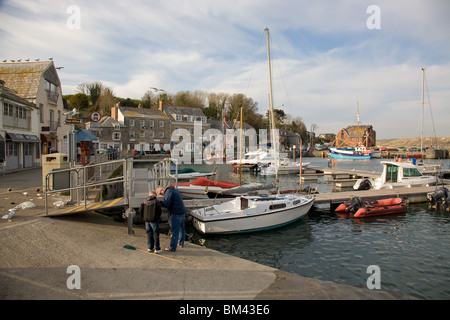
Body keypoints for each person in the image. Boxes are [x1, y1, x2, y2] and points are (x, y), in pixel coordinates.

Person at [156, 185, 186, 252]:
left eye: (160, 193)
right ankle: (181, 243)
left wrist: (159, 202)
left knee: (175, 230)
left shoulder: (168, 192)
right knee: (181, 228)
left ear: (162, 190)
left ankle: (172, 247)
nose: (161, 195)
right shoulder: (174, 190)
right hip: (182, 211)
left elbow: (167, 204)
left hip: (176, 212)